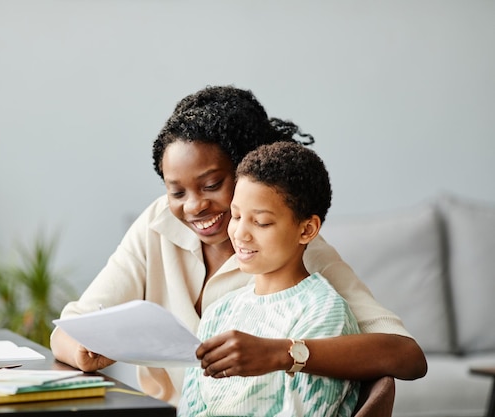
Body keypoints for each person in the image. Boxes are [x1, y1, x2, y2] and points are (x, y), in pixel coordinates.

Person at [50, 85, 427, 406]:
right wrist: (84, 350)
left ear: (249, 171)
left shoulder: (300, 251)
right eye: (176, 191)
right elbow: (68, 328)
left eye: (212, 185)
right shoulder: (157, 223)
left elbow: (407, 355)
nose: (194, 206)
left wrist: (282, 353)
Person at [178, 141, 360, 417]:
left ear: (307, 229)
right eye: (236, 215)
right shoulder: (219, 312)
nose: (240, 233)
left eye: (261, 222)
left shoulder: (324, 314)